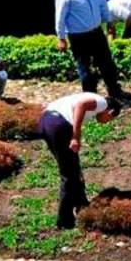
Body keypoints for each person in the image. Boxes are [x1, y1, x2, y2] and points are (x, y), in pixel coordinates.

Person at [38, 92, 121, 229]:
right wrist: (75, 136)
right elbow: (80, 106)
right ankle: (64, 221)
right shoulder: (102, 103)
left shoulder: (92, 97)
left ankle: (82, 206)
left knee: (73, 168)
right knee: (69, 175)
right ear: (111, 112)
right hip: (59, 125)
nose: (105, 123)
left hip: (46, 121)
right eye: (109, 120)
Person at [54, 0, 127, 98]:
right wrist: (61, 38)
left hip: (96, 32)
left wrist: (109, 21)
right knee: (85, 68)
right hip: (78, 36)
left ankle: (115, 91)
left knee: (107, 63)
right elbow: (60, 16)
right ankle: (90, 98)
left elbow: (102, 3)